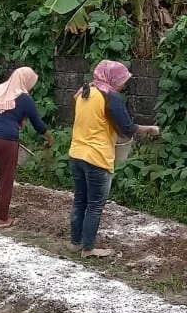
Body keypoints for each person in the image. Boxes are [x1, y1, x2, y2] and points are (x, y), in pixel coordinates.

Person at [68, 60, 159, 258]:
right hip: (97, 157)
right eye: (121, 80)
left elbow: (96, 122)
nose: (123, 85)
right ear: (112, 78)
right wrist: (150, 129)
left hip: (76, 154)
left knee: (80, 200)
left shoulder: (85, 91)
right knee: (95, 205)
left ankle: (75, 243)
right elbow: (127, 129)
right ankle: (89, 249)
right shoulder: (110, 96)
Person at [0, 67, 55, 228]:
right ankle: (2, 218)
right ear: (26, 81)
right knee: (5, 178)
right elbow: (37, 124)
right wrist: (50, 137)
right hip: (6, 140)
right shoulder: (24, 98)